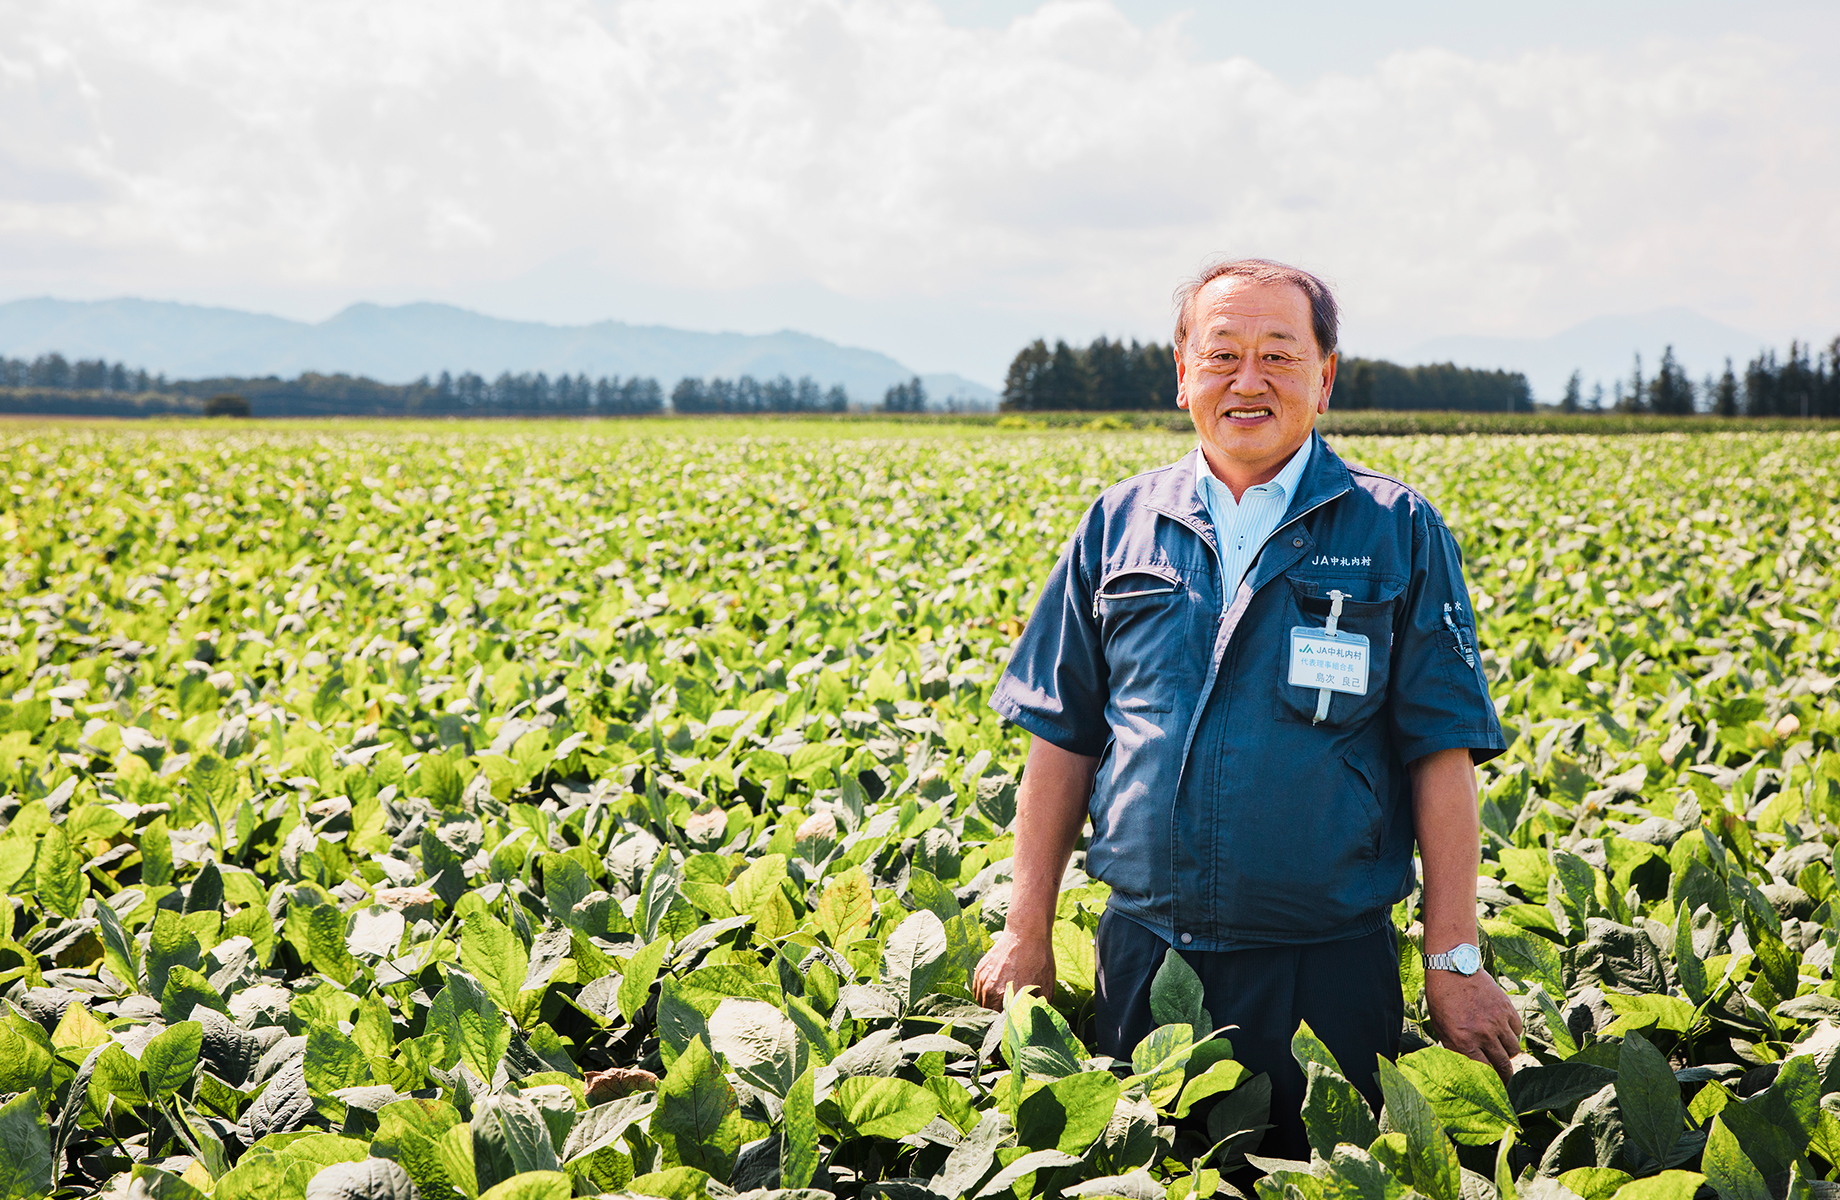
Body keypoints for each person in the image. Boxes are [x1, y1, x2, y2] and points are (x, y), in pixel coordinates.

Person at [971, 258, 1522, 1161]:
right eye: (1222, 353)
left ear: (1325, 376)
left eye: (1279, 354)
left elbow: (1442, 753)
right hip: (1150, 957)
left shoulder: (1394, 527)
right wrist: (1025, 928)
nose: (1249, 380)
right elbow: (1062, 741)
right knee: (1158, 1173)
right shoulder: (1117, 526)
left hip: (1332, 965)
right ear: (1182, 370)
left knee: (1325, 1172)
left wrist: (1452, 959)